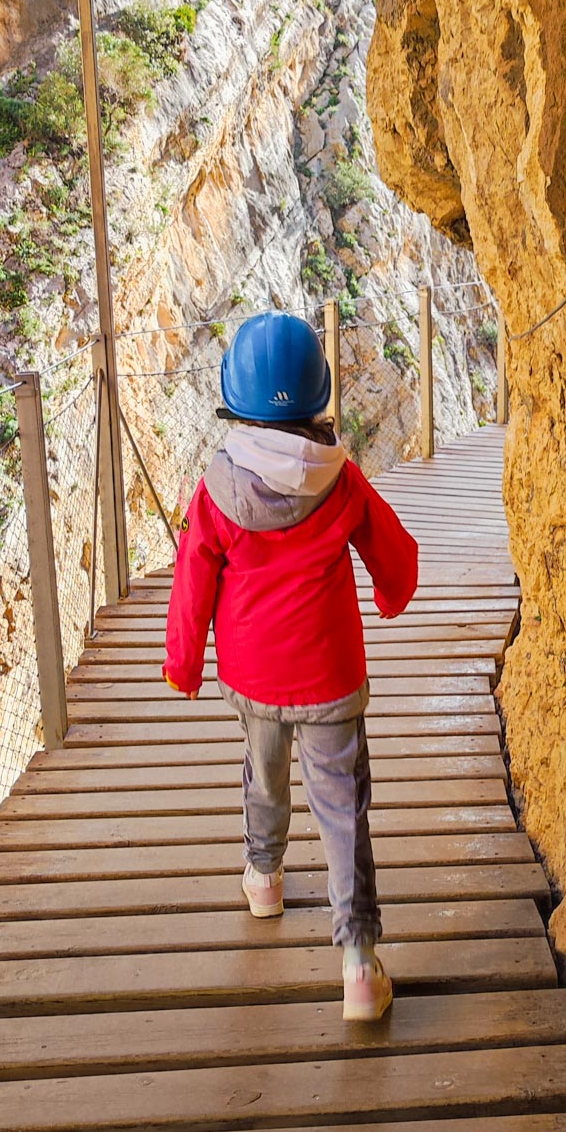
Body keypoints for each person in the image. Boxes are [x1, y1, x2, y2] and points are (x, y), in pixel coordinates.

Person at [163, 311, 418, 1021]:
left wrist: (184, 664)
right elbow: (393, 552)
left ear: (234, 397)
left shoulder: (217, 489)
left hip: (254, 676)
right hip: (329, 675)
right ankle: (359, 966)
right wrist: (392, 594)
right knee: (343, 810)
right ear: (317, 394)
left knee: (264, 774)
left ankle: (265, 879)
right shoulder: (341, 480)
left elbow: (192, 581)